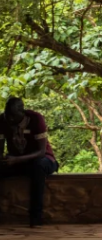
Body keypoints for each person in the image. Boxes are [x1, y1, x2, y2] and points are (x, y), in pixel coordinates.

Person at [1, 96, 59, 227]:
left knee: (38, 167)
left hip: (43, 160)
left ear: (22, 112)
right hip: (18, 162)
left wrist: (16, 160)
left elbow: (41, 152)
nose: (10, 119)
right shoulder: (3, 120)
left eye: (13, 116)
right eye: (7, 115)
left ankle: (36, 217)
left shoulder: (35, 119)